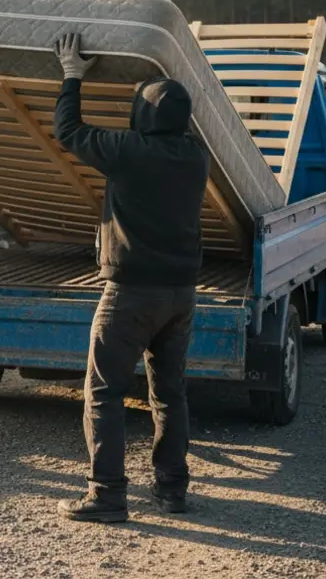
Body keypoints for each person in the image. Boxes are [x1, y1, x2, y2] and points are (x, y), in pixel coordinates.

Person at [49, 31, 209, 522]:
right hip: (180, 296)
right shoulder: (195, 156)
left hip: (131, 295)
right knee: (169, 393)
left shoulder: (129, 151)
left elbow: (69, 131)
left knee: (103, 391)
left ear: (143, 117)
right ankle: (171, 490)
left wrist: (73, 74)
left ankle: (108, 496)